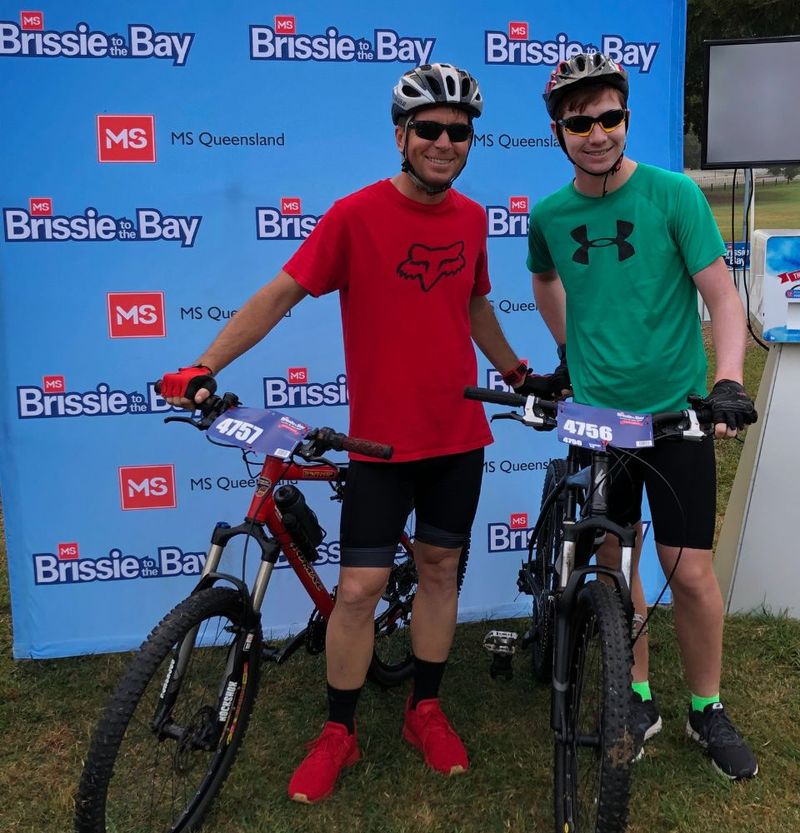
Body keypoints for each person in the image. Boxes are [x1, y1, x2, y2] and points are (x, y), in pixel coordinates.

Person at [160, 62, 547, 803]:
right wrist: (203, 363)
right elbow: (280, 296)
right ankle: (338, 729)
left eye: (457, 131)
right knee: (360, 587)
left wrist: (517, 369)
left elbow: (473, 305)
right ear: (401, 136)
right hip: (379, 444)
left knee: (439, 572)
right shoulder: (353, 214)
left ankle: (424, 708)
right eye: (428, 129)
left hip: (458, 436)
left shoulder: (470, 218)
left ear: (470, 141)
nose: (443, 141)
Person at [526, 52, 759, 780]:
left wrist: (725, 379)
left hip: (674, 416)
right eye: (579, 121)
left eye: (610, 117)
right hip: (599, 421)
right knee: (612, 562)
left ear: (625, 118)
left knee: (686, 571)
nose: (596, 133)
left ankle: (707, 705)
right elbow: (544, 278)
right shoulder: (550, 215)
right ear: (559, 129)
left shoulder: (672, 194)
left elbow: (722, 296)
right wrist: (566, 350)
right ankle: (636, 694)